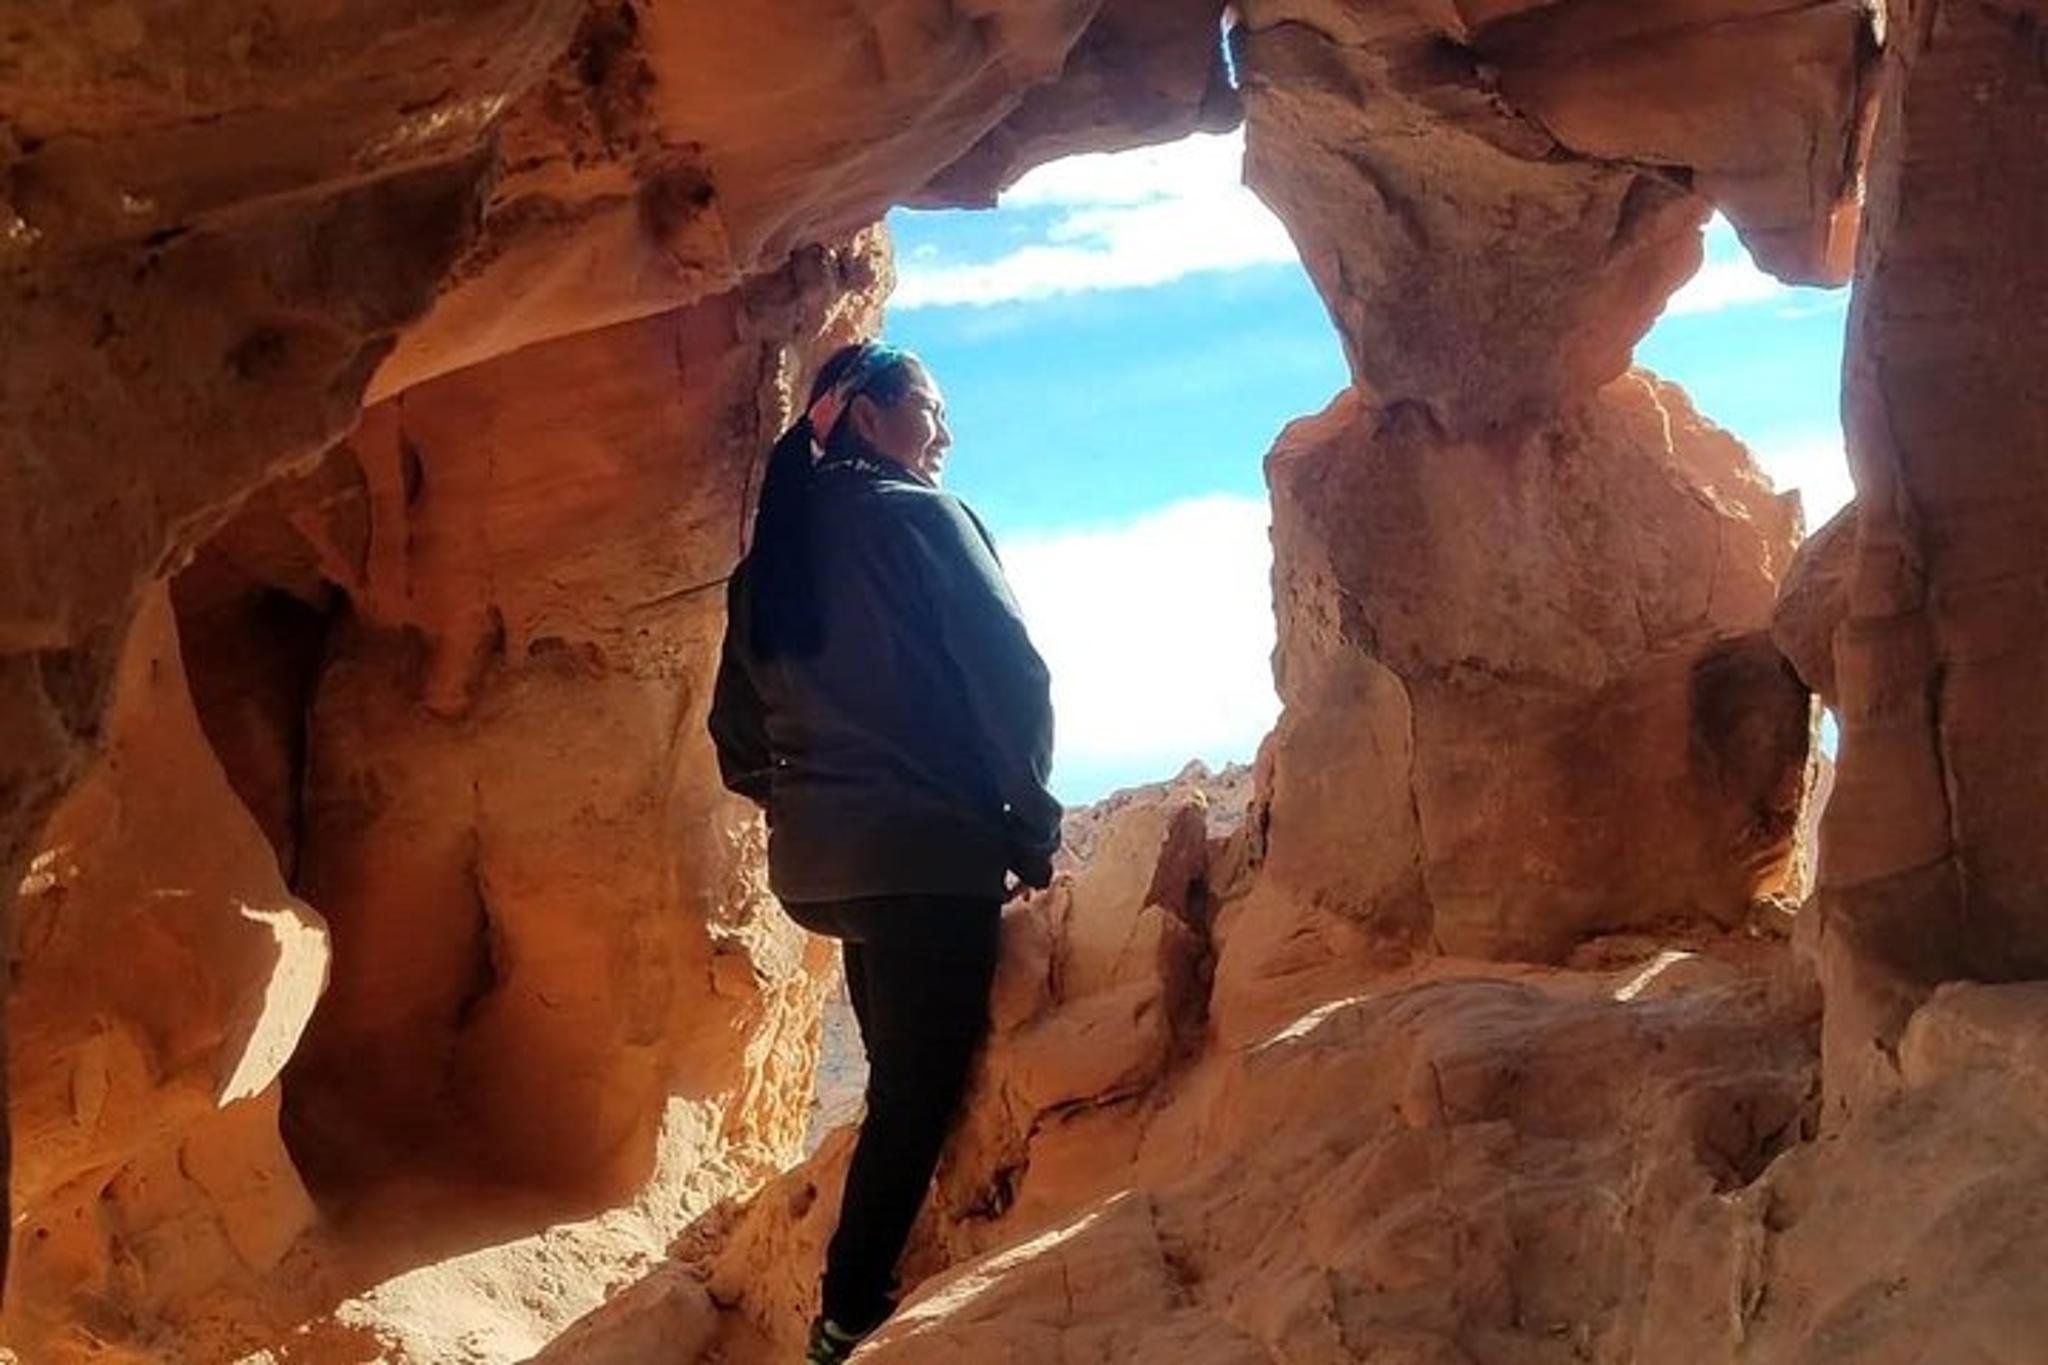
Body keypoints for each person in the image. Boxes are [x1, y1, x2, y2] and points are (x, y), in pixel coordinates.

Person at [708, 340, 1061, 1363]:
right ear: (868, 417)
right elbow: (1013, 679)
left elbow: (734, 738)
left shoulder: (773, 556)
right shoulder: (921, 517)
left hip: (819, 873)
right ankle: (849, 1313)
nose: (945, 431)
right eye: (930, 409)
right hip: (922, 858)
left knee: (894, 1072)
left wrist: (811, 803)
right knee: (917, 1088)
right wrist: (1031, 827)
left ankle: (861, 1277)